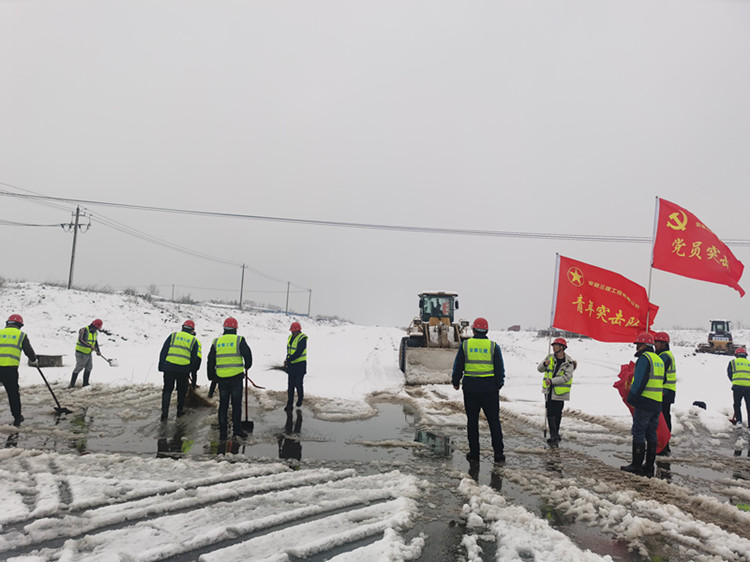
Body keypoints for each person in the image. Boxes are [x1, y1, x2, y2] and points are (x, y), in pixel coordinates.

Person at [452, 317, 506, 463]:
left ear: (473, 330)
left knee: (472, 422)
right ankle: (499, 454)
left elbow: (458, 365)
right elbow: (499, 368)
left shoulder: (465, 345)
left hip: (471, 388)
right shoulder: (493, 346)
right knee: (494, 421)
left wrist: (456, 381)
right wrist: (498, 384)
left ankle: (474, 454)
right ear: (486, 330)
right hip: (489, 389)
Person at [621, 332, 664, 477]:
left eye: (638, 345)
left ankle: (636, 464)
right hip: (656, 402)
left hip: (644, 402)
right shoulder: (658, 359)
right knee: (651, 433)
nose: (636, 348)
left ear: (643, 345)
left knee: (638, 432)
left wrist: (632, 397)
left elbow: (639, 380)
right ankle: (649, 465)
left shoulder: (644, 359)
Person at [207, 317, 253, 440]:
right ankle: (237, 430)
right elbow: (248, 354)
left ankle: (223, 433)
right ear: (235, 328)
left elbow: (210, 360)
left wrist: (211, 376)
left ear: (224, 328)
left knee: (223, 405)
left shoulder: (217, 341)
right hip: (236, 378)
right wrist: (247, 365)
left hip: (222, 379)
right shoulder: (239, 340)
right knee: (236, 405)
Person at [158, 320, 202, 420]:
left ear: (183, 327)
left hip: (169, 367)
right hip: (183, 369)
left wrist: (161, 366)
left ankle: (164, 412)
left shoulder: (173, 336)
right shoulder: (193, 340)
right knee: (182, 390)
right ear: (192, 330)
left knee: (167, 390)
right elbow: (193, 358)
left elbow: (164, 351)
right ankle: (179, 410)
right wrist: (189, 369)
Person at [0, 314, 38, 427]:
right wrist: (34, 359)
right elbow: (28, 350)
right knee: (13, 394)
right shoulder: (21, 335)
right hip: (10, 369)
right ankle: (17, 417)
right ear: (20, 325)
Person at [537, 337, 577, 444]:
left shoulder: (569, 362)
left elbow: (566, 377)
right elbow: (539, 369)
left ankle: (556, 434)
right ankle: (553, 435)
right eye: (553, 345)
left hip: (560, 392)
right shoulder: (549, 357)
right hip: (549, 390)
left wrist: (552, 381)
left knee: (558, 413)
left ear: (562, 347)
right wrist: (544, 364)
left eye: (556, 345)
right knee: (550, 412)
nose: (554, 347)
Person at [654, 332, 675, 455]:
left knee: (663, 419)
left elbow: (659, 373)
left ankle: (664, 446)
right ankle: (663, 445)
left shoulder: (664, 357)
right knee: (664, 418)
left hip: (665, 392)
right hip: (666, 391)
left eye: (657, 342)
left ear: (663, 344)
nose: (655, 344)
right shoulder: (664, 355)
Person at [69, 319, 103, 388]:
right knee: (79, 367)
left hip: (88, 352)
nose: (97, 330)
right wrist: (89, 346)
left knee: (89, 367)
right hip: (81, 352)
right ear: (94, 326)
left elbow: (95, 342)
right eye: (97, 328)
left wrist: (98, 350)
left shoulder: (95, 333)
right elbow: (81, 340)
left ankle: (85, 383)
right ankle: (72, 385)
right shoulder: (83, 330)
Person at [284, 321, 308, 411]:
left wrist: (289, 359)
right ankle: (289, 404)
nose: (292, 333)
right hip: (291, 365)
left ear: (298, 331)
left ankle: (300, 399)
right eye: (292, 331)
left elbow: (299, 352)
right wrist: (287, 359)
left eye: (294, 332)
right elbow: (289, 350)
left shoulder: (302, 338)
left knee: (298, 384)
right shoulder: (290, 337)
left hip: (300, 365)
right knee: (290, 386)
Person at [727, 347, 750, 432]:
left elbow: (730, 374)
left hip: (737, 387)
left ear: (736, 355)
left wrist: (735, 381)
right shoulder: (749, 363)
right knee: (749, 406)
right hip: (748, 388)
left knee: (737, 404)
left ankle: (739, 421)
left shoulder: (733, 362)